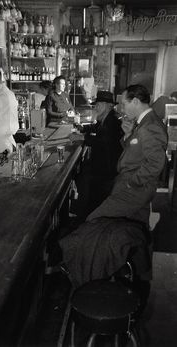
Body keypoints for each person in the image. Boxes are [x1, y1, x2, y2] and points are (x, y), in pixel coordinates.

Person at [58, 84, 168, 291]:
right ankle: (140, 274)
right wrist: (127, 136)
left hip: (133, 189)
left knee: (94, 221)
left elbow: (155, 164)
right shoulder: (143, 122)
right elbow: (136, 153)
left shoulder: (150, 125)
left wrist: (131, 182)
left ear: (135, 101)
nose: (121, 107)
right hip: (135, 188)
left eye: (124, 102)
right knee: (139, 227)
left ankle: (90, 274)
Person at [75, 90, 124, 217]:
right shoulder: (106, 117)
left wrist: (82, 138)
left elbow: (104, 142)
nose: (96, 107)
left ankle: (87, 220)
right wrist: (83, 128)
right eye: (96, 104)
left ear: (109, 106)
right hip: (101, 167)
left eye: (99, 104)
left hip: (106, 172)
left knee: (94, 200)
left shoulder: (113, 121)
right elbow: (96, 127)